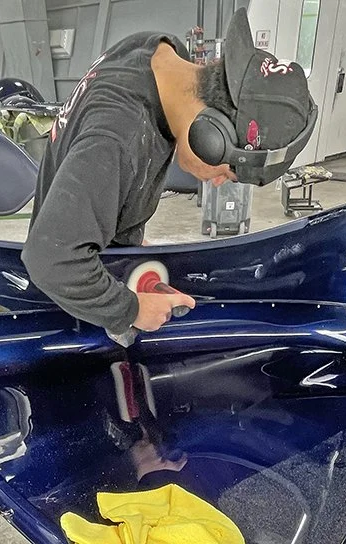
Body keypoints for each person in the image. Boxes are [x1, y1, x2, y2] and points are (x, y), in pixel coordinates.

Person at [22, 9, 317, 338]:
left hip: (98, 239)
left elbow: (108, 180)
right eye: (228, 173)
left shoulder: (156, 49)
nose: (218, 181)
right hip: (79, 289)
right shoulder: (117, 137)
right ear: (211, 135)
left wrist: (130, 238)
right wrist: (131, 310)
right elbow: (50, 259)